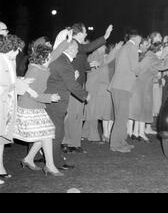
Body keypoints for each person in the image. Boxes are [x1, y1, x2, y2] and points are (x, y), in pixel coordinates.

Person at [14, 45, 65, 176]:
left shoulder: (40, 67)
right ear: (43, 58)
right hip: (29, 107)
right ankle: (50, 166)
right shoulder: (35, 70)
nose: (51, 58)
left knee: (44, 133)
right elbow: (30, 92)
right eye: (49, 56)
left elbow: (55, 53)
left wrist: (67, 40)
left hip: (36, 106)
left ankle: (28, 159)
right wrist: (50, 97)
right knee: (46, 134)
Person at [63, 23, 113, 154]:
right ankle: (67, 142)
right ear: (79, 33)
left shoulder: (78, 47)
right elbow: (89, 47)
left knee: (77, 115)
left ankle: (73, 143)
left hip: (79, 84)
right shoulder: (73, 43)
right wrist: (105, 36)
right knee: (73, 115)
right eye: (84, 32)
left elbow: (83, 64)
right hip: (73, 85)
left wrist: (91, 65)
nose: (86, 34)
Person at [45, 41, 90, 170]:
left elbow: (64, 81)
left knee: (53, 131)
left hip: (55, 100)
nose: (77, 51)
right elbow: (70, 85)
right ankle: (54, 162)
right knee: (57, 133)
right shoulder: (64, 62)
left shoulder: (62, 60)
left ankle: (45, 159)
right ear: (70, 49)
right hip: (55, 101)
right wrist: (85, 95)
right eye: (76, 48)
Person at [0, 34, 36, 184]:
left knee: (1, 139)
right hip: (2, 103)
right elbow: (5, 84)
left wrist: (21, 81)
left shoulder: (8, 60)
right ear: (11, 48)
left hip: (7, 104)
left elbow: (11, 81)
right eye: (17, 50)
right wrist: (20, 85)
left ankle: (0, 169)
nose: (18, 53)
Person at [108, 29, 142, 153]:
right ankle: (116, 145)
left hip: (118, 86)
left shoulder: (124, 47)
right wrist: (142, 70)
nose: (141, 41)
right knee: (121, 117)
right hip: (123, 87)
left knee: (121, 116)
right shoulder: (132, 47)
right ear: (136, 37)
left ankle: (121, 141)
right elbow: (135, 68)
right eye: (140, 39)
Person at [83, 42, 122, 143]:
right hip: (93, 86)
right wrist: (115, 50)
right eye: (103, 45)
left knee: (92, 111)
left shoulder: (99, 55)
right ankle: (92, 135)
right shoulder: (94, 56)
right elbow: (105, 61)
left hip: (97, 86)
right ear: (98, 47)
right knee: (92, 111)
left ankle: (85, 133)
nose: (105, 47)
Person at [129, 38, 163, 141]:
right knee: (142, 108)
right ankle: (137, 132)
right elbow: (140, 69)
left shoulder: (147, 56)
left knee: (140, 109)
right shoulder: (150, 56)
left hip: (142, 84)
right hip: (142, 85)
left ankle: (136, 132)